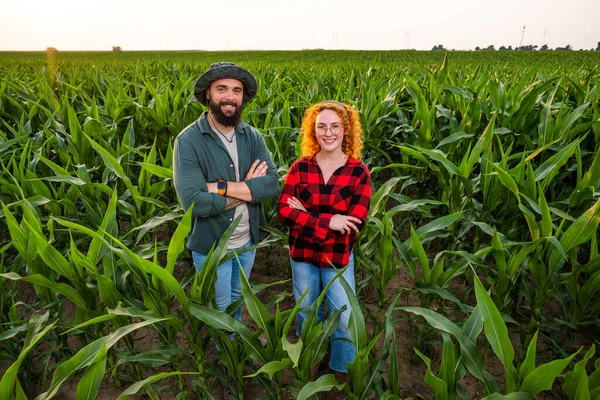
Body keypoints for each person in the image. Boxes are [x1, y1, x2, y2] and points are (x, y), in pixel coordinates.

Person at [173, 62, 279, 322]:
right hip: (212, 246)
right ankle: (228, 357)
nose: (230, 96)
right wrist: (249, 189)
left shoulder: (252, 137)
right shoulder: (188, 141)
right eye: (221, 89)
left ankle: (237, 342)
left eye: (236, 90)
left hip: (247, 241)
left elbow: (273, 184)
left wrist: (220, 188)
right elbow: (195, 204)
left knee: (237, 298)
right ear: (208, 94)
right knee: (220, 310)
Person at [277, 100, 372, 380]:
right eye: (321, 127)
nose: (328, 133)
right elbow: (283, 211)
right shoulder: (300, 168)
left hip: (337, 257)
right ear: (313, 131)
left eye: (335, 126)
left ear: (346, 131)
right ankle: (311, 359)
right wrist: (329, 220)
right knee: (307, 313)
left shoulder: (358, 172)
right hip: (303, 256)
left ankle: (342, 370)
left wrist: (305, 216)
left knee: (344, 318)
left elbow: (354, 223)